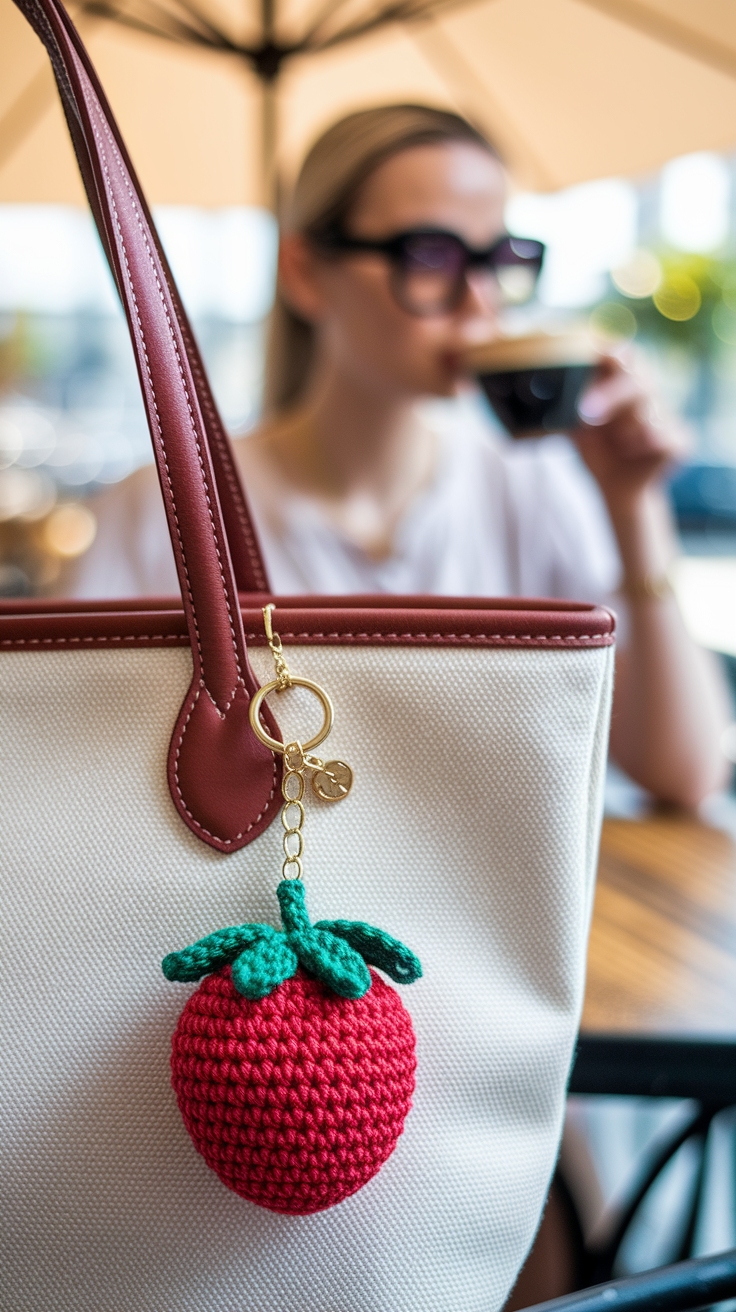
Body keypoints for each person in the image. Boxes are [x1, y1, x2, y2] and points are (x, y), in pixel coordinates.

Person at [68, 103, 727, 810]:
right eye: (432, 255)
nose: (478, 300)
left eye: (500, 260)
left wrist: (634, 505)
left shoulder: (532, 487)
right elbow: (76, 774)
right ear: (305, 273)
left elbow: (683, 775)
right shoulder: (166, 512)